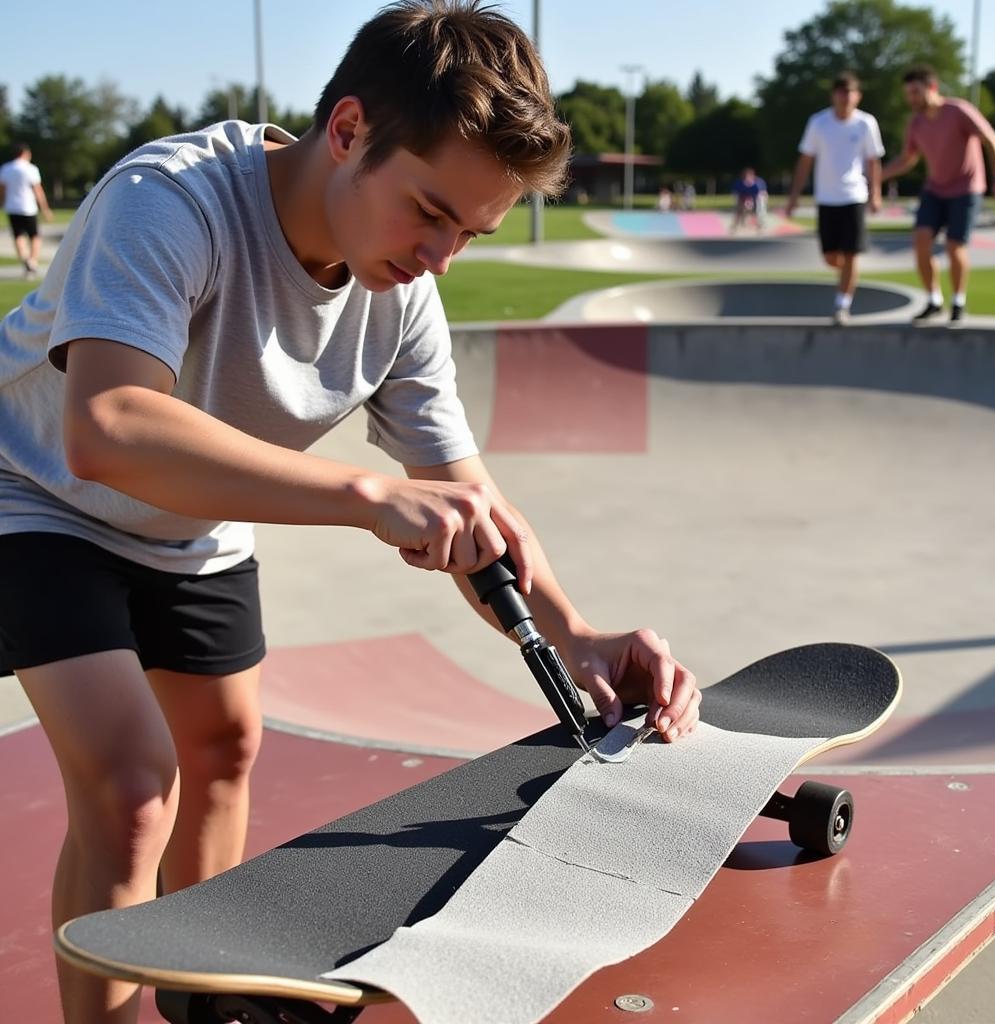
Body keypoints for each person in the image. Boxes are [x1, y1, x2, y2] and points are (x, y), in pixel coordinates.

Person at [0, 3, 701, 1021]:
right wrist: (368, 496)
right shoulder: (170, 201)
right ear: (347, 131)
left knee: (226, 748)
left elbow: (468, 501)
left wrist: (575, 629)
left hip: (191, 527)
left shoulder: (403, 296)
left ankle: (204, 997)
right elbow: (105, 425)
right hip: (38, 496)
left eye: (471, 231)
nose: (440, 255)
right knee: (131, 781)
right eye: (429, 210)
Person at [881, 64, 995, 323]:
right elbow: (907, 159)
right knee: (921, 239)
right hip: (935, 188)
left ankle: (958, 302)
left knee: (954, 245)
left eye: (916, 92)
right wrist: (877, 176)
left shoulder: (958, 110)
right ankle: (934, 300)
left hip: (966, 188)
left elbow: (992, 140)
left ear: (932, 88)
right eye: (908, 94)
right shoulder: (916, 123)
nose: (912, 99)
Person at [785, 72, 884, 326]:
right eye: (841, 92)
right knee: (831, 256)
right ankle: (848, 277)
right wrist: (794, 196)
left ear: (857, 96)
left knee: (851, 253)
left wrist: (875, 193)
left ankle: (842, 305)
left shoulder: (865, 123)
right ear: (833, 95)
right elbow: (805, 160)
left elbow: (873, 160)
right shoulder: (819, 123)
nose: (845, 97)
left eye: (850, 92)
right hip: (827, 197)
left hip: (854, 195)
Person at [0, 142, 53, 277]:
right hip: (28, 207)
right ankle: (32, 261)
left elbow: (2, 190)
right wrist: (45, 209)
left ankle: (25, 259)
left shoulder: (6, 169)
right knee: (34, 236)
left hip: (12, 207)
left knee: (18, 235)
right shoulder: (31, 169)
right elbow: (38, 190)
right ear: (26, 153)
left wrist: (2, 202)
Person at [731, 167, 767, 233]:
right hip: (743, 198)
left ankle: (760, 226)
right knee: (739, 211)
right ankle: (734, 226)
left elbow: (762, 193)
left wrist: (754, 202)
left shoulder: (758, 183)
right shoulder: (740, 183)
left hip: (756, 199)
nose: (748, 178)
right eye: (746, 176)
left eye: (750, 176)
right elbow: (736, 194)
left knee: (757, 211)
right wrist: (742, 203)